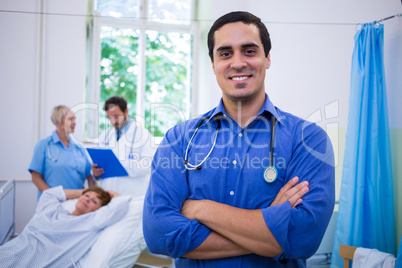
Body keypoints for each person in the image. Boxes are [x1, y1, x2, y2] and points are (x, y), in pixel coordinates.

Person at [143, 11, 335, 267]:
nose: (237, 63)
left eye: (249, 51)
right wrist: (270, 230)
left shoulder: (308, 140)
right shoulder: (179, 139)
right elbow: (159, 235)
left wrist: (201, 209)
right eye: (225, 53)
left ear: (267, 58)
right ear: (213, 63)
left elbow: (302, 239)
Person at [0, 186, 130, 267]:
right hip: (13, 249)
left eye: (94, 201)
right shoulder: (53, 210)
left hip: (37, 261)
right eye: (87, 196)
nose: (87, 200)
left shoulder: (90, 223)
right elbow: (49, 194)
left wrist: (112, 194)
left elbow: (121, 205)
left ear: (99, 210)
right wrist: (82, 191)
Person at [92, 96, 156, 196]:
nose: (113, 121)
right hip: (107, 195)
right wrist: (95, 172)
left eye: (116, 116)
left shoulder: (143, 134)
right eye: (110, 118)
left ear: (126, 112)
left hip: (131, 194)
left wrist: (121, 165)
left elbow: (149, 164)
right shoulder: (105, 135)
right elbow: (97, 163)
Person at [29, 105, 96, 198]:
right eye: (70, 119)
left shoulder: (79, 147)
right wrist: (51, 196)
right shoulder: (44, 145)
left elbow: (90, 177)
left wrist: (91, 197)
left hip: (77, 203)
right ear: (58, 122)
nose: (74, 123)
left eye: (75, 119)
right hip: (51, 202)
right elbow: (35, 178)